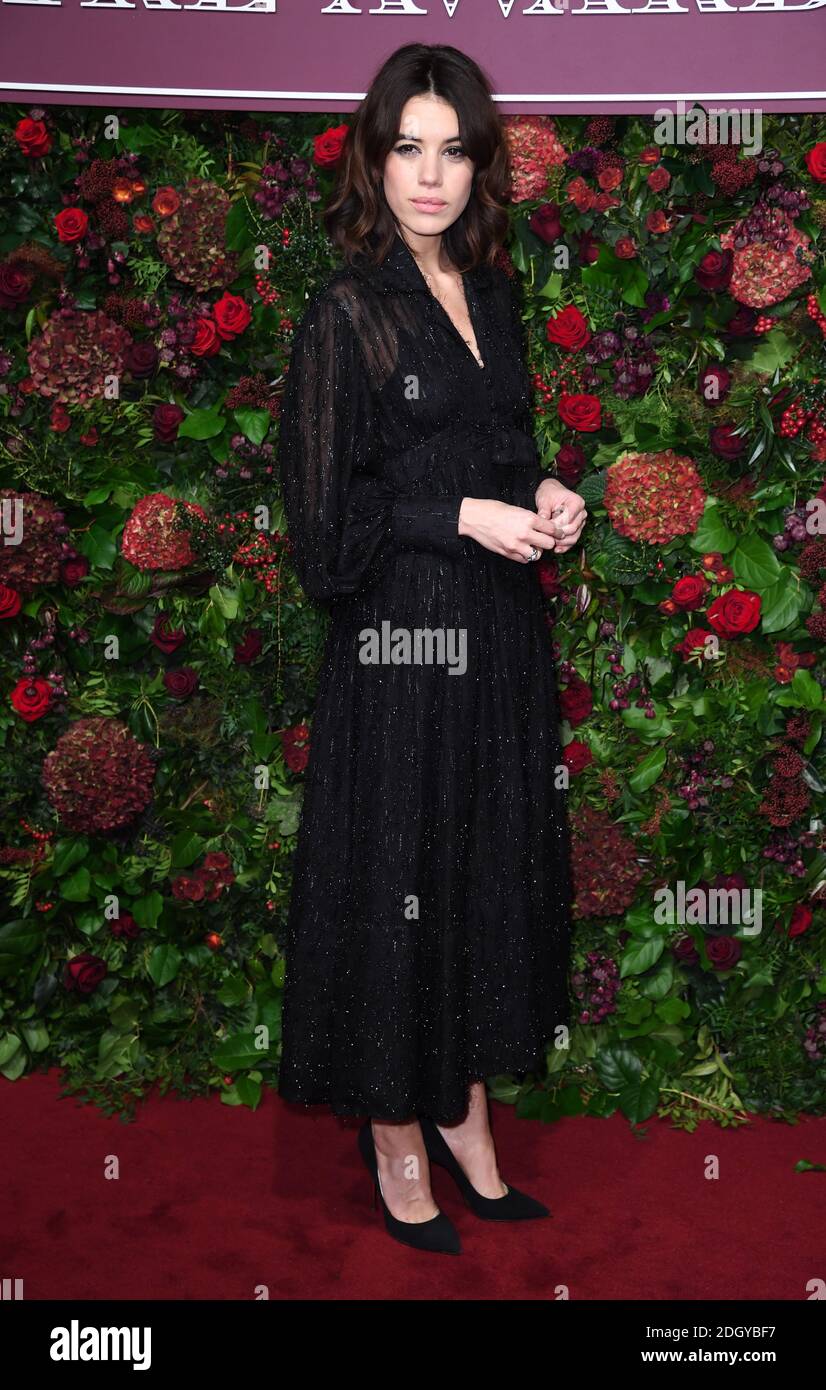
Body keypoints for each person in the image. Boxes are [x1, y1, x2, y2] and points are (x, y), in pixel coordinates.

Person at [276, 42, 587, 1255]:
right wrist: (455, 516)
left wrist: (547, 489)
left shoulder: (489, 290)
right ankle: (393, 1128)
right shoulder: (346, 308)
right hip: (399, 652)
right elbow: (321, 533)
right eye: (408, 146)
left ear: (478, 165)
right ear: (374, 156)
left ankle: (462, 1111)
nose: (430, 174)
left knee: (473, 877)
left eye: (452, 149)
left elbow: (502, 452)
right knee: (397, 884)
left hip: (499, 644)